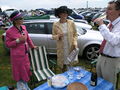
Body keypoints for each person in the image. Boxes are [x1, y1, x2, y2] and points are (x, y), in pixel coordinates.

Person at [5, 10, 37, 90]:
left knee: (25, 69)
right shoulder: (9, 31)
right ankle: (21, 86)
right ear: (15, 21)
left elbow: (28, 38)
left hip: (25, 54)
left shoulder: (23, 27)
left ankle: (25, 85)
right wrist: (18, 41)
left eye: (22, 18)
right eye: (21, 18)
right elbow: (8, 44)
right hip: (17, 56)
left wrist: (32, 46)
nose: (23, 19)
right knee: (19, 71)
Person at [94, 0, 120, 88]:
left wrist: (101, 25)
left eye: (109, 9)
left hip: (111, 61)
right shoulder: (110, 24)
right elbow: (107, 39)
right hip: (102, 57)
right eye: (106, 8)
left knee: (108, 86)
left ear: (118, 11)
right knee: (99, 83)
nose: (106, 11)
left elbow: (114, 40)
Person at [52, 6, 78, 72]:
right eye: (62, 13)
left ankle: (70, 77)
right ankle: (63, 76)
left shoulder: (71, 23)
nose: (64, 15)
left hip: (70, 46)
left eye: (66, 13)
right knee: (62, 64)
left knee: (70, 63)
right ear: (59, 14)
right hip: (61, 47)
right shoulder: (55, 24)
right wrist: (58, 36)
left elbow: (75, 34)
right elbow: (53, 36)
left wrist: (75, 42)